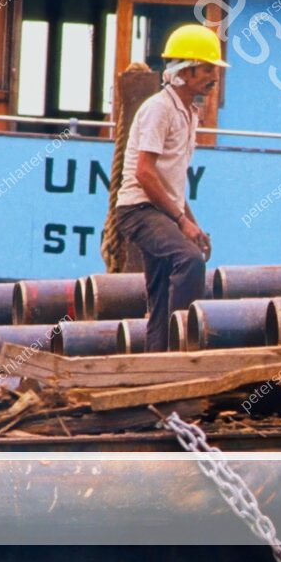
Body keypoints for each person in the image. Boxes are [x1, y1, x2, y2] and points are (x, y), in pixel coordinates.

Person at [114, 23, 227, 351]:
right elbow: (145, 173)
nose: (213, 77)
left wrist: (191, 222)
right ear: (186, 73)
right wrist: (180, 221)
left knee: (162, 291)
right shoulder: (159, 109)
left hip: (157, 208)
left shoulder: (188, 113)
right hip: (138, 209)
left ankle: (155, 364)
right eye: (207, 69)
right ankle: (181, 348)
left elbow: (172, 182)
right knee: (189, 261)